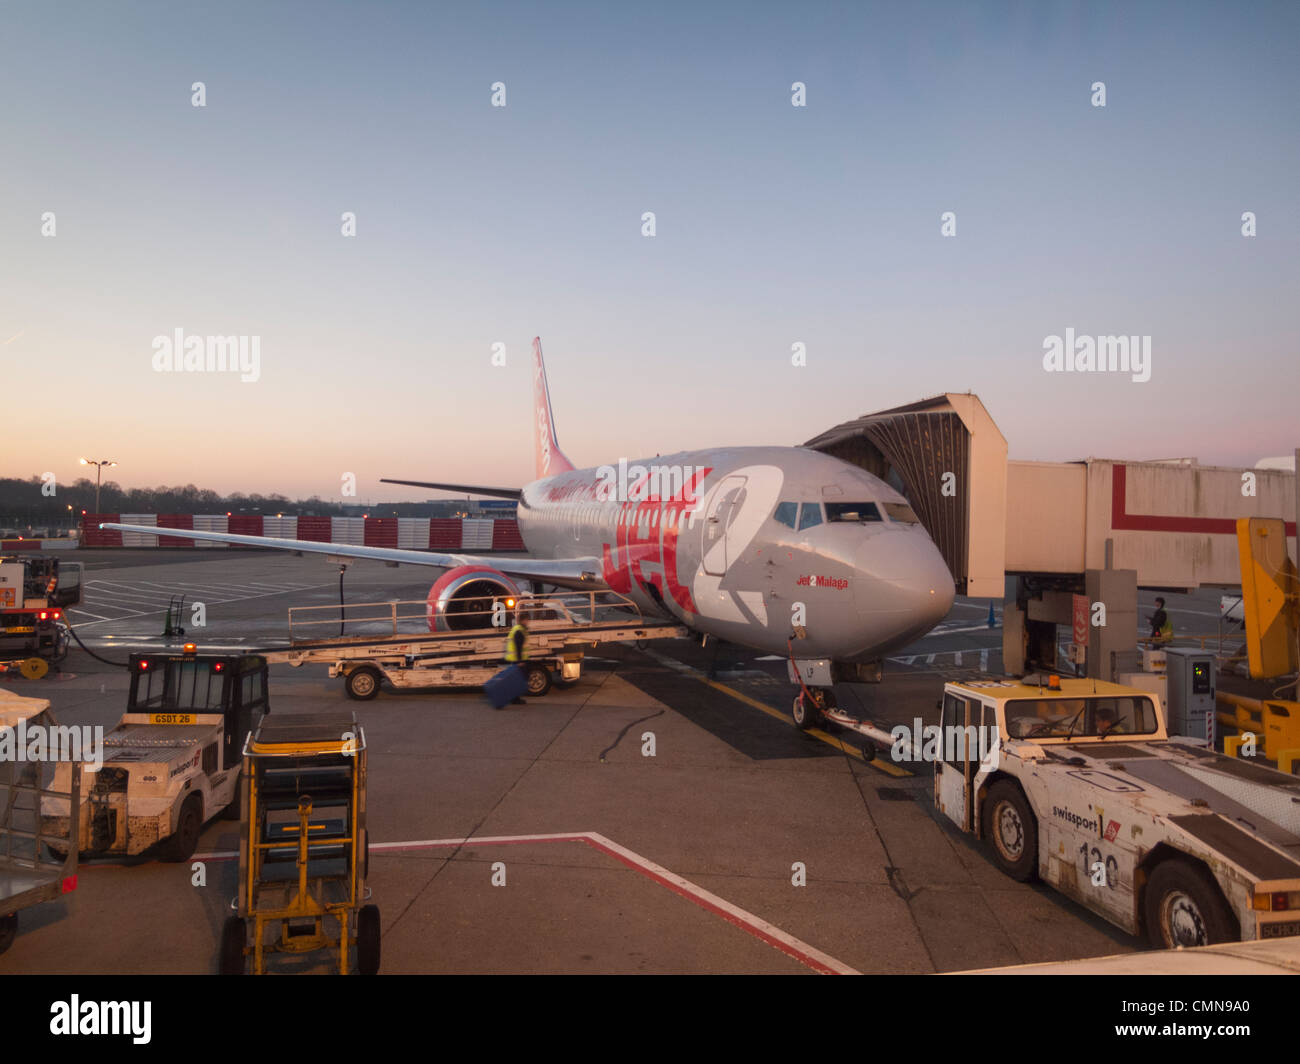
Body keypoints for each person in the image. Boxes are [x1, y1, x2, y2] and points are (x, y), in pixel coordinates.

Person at [503, 612, 529, 705]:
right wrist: (520, 661)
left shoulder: (518, 629)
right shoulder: (519, 630)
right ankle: (514, 698)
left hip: (516, 659)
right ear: (523, 620)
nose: (528, 622)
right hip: (517, 660)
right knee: (518, 679)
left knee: (518, 679)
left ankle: (514, 697)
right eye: (527, 620)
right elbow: (518, 647)